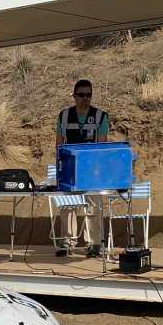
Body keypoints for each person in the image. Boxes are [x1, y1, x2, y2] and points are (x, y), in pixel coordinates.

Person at [53, 79, 110, 254]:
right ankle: (67, 242)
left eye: (88, 95)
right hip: (69, 169)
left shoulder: (101, 116)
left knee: (93, 206)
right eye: (81, 95)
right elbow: (59, 145)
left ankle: (94, 244)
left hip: (92, 170)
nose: (85, 98)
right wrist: (61, 167)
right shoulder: (63, 116)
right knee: (67, 206)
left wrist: (96, 168)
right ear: (74, 96)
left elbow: (102, 146)